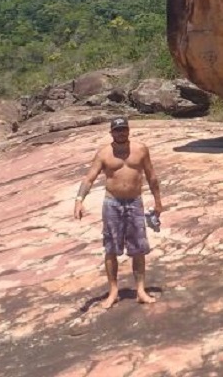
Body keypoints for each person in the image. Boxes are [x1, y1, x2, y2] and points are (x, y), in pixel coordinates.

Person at [74, 116, 164, 309]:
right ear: (111, 132)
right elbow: (89, 178)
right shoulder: (104, 153)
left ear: (129, 130)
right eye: (117, 130)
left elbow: (151, 176)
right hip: (112, 204)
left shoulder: (140, 149)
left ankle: (140, 290)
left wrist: (158, 202)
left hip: (134, 202)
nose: (121, 133)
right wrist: (79, 200)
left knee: (139, 248)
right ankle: (113, 291)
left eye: (124, 129)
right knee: (111, 248)